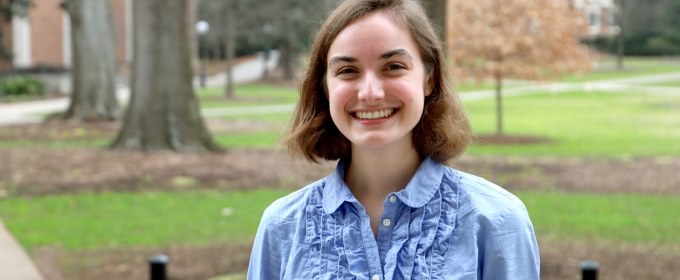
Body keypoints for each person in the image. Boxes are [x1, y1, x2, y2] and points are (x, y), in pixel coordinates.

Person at [247, 0, 540, 279]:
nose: (370, 92)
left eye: (393, 66)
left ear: (430, 78)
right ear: (325, 86)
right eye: (347, 70)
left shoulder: (496, 221)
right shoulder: (282, 227)